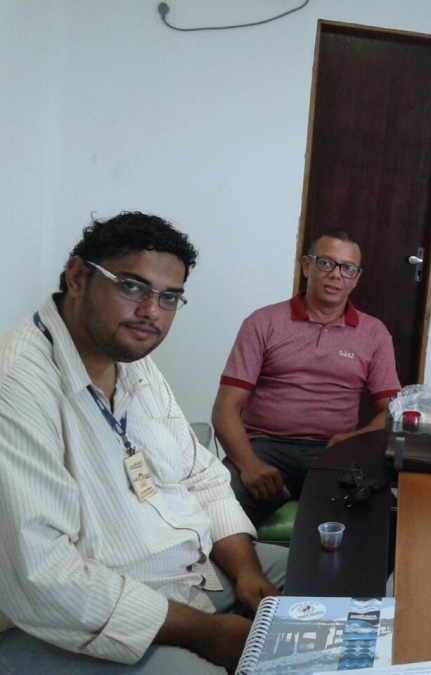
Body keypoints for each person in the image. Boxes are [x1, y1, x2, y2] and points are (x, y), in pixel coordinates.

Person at [0, 212, 288, 675]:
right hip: (69, 621)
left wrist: (248, 573)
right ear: (78, 277)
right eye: (132, 287)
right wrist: (209, 634)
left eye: (169, 297)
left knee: (316, 591)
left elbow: (202, 476)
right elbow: (46, 579)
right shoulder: (16, 386)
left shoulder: (132, 360)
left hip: (188, 573)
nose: (152, 311)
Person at [213, 229, 401, 526]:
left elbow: (392, 410)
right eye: (326, 263)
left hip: (335, 451)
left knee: (384, 520)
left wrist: (353, 440)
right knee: (218, 512)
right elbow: (225, 408)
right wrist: (249, 465)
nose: (336, 275)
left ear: (356, 278)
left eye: (347, 268)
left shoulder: (374, 333)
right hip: (265, 447)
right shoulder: (263, 322)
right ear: (305, 266)